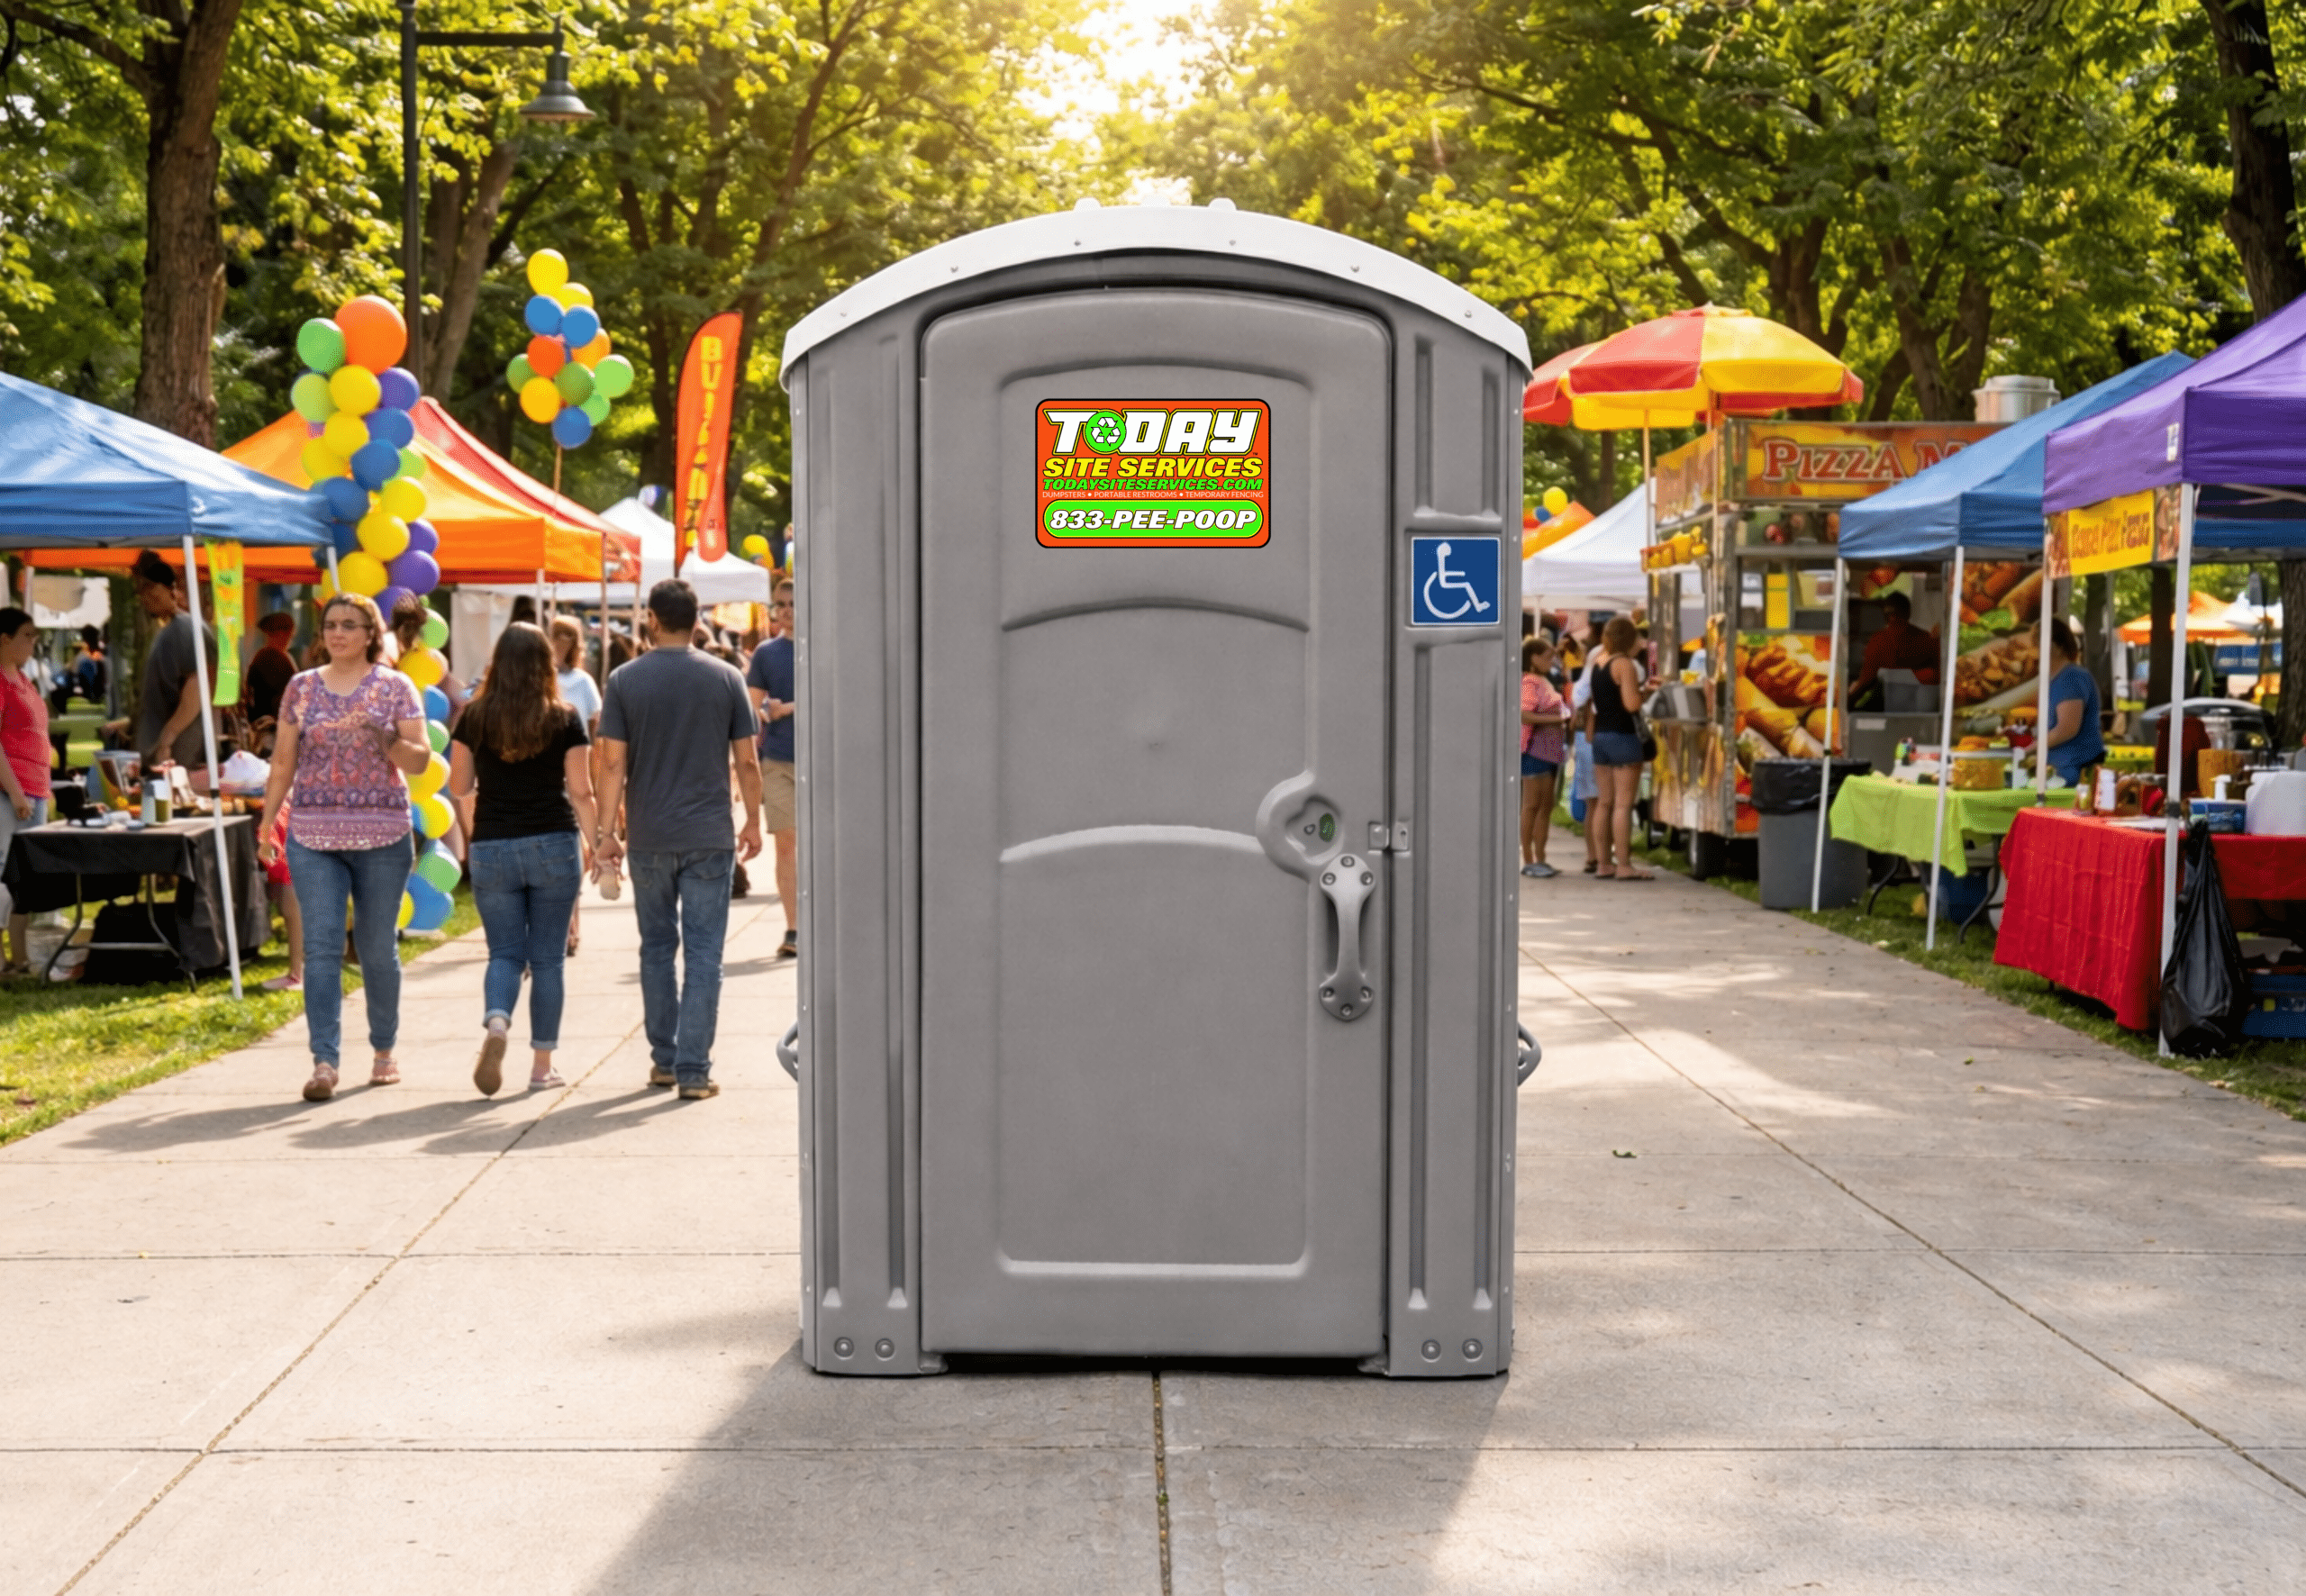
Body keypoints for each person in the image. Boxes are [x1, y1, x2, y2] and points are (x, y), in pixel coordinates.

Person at [594, 580, 762, 1100]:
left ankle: (663, 1060)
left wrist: (606, 835)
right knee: (706, 953)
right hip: (709, 833)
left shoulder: (624, 680)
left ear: (652, 620)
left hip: (650, 834)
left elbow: (611, 763)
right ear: (696, 620)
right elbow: (748, 761)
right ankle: (694, 1070)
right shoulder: (727, 677)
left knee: (657, 949)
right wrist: (752, 820)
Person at [257, 594, 428, 1102]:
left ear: (371, 633)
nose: (338, 633)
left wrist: (384, 740)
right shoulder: (300, 688)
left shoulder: (396, 687)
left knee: (376, 949)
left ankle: (383, 1049)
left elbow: (419, 761)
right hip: (313, 834)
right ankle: (324, 1062)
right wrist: (268, 823)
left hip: (382, 834)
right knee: (323, 947)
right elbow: (283, 759)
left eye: (350, 625)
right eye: (331, 624)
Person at [450, 623, 597, 1095]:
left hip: (494, 842)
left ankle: (496, 1023)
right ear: (545, 664)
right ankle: (541, 1068)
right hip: (554, 840)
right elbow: (581, 790)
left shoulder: (473, 718)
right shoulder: (565, 717)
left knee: (505, 954)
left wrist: (476, 835)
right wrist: (600, 841)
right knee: (549, 959)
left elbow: (459, 787)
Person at [111, 549, 216, 774]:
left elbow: (198, 687)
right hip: (160, 754)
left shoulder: (186, 628)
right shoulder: (167, 630)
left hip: (177, 756)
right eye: (140, 589)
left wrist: (167, 739)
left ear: (171, 588)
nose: (144, 595)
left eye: (150, 587)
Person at [744, 576, 798, 959]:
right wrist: (767, 711)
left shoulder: (826, 644)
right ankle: (794, 927)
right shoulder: (766, 653)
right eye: (780, 604)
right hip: (778, 758)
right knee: (787, 843)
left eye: (793, 603)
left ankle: (820, 922)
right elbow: (752, 705)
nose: (786, 611)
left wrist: (790, 708)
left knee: (822, 846)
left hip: (821, 758)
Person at [0, 609, 52, 975]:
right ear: (4, 639)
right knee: (3, 871)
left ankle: (20, 957)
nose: (33, 643)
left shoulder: (24, 679)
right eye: (27, 636)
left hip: (35, 790)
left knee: (27, 878)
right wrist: (16, 792)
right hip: (11, 792)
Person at [549, 616, 603, 956]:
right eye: (557, 635)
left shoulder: (583, 682)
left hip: (578, 769)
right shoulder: (539, 680)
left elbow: (596, 731)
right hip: (548, 774)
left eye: (568, 636)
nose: (562, 642)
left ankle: (572, 918)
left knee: (578, 854)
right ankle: (565, 923)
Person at [1584, 615, 1653, 881]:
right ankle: (1624, 865)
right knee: (1623, 805)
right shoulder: (1625, 664)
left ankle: (1604, 863)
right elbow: (1631, 704)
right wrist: (1644, 692)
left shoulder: (1598, 662)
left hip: (1601, 736)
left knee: (1604, 802)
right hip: (1623, 736)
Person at [1520, 635, 1568, 878]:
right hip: (1535, 750)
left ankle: (1541, 856)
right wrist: (1557, 719)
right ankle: (1529, 858)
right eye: (1548, 656)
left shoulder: (1543, 681)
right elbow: (1524, 715)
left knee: (1545, 806)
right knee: (1532, 805)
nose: (1553, 661)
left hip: (1549, 752)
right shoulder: (1530, 682)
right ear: (1533, 658)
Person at [2042, 618, 2106, 787]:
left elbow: (2067, 728)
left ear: (2056, 646)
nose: (2033, 648)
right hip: (2063, 769)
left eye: (2037, 641)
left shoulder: (2071, 677)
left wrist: (2030, 748)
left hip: (2075, 772)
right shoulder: (2055, 679)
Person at [1851, 591, 1939, 703]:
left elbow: (1866, 681)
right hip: (1924, 708)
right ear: (1908, 613)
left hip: (1890, 707)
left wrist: (1849, 700)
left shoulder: (1878, 640)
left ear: (1885, 616)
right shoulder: (1927, 639)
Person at [243, 612, 299, 733]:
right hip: (272, 727)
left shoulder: (260, 656)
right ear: (281, 634)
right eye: (290, 635)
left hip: (262, 724)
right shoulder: (272, 658)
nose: (290, 640)